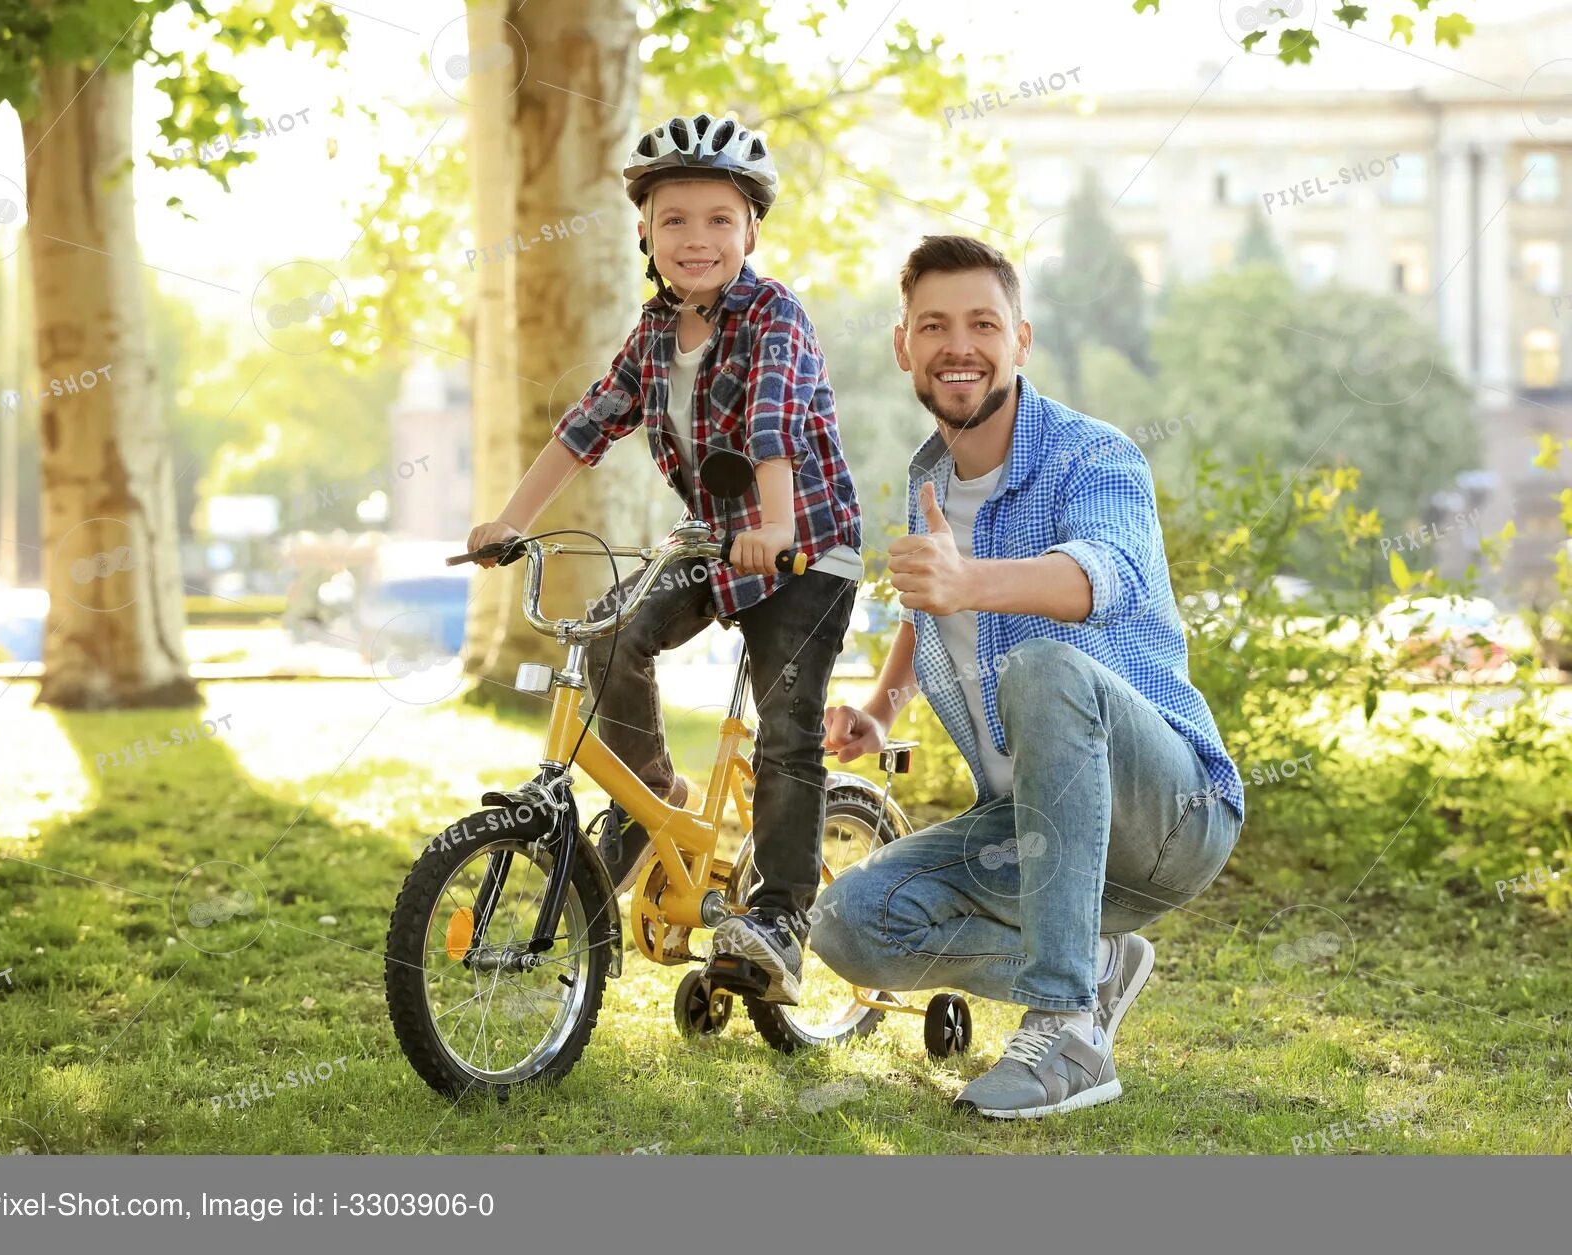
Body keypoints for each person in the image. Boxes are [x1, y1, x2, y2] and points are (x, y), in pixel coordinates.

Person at [812, 235, 1243, 1117]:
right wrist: (884, 707)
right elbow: (927, 604)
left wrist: (973, 579)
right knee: (848, 922)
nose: (957, 345)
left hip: (1168, 817)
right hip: (1032, 835)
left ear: (1022, 340)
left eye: (982, 322)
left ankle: (1066, 1028)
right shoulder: (929, 478)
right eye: (933, 325)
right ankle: (1090, 964)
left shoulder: (1095, 457)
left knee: (1045, 665)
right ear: (903, 346)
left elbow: (1107, 571)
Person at [466, 112, 863, 1006]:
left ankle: (780, 919)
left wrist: (771, 523)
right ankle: (651, 800)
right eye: (675, 219)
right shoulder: (651, 334)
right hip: (715, 545)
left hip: (807, 547)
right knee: (610, 636)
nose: (697, 239)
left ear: (750, 231)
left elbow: (769, 425)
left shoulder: (775, 317)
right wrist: (505, 520)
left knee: (787, 729)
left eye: (720, 219)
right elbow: (585, 427)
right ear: (644, 232)